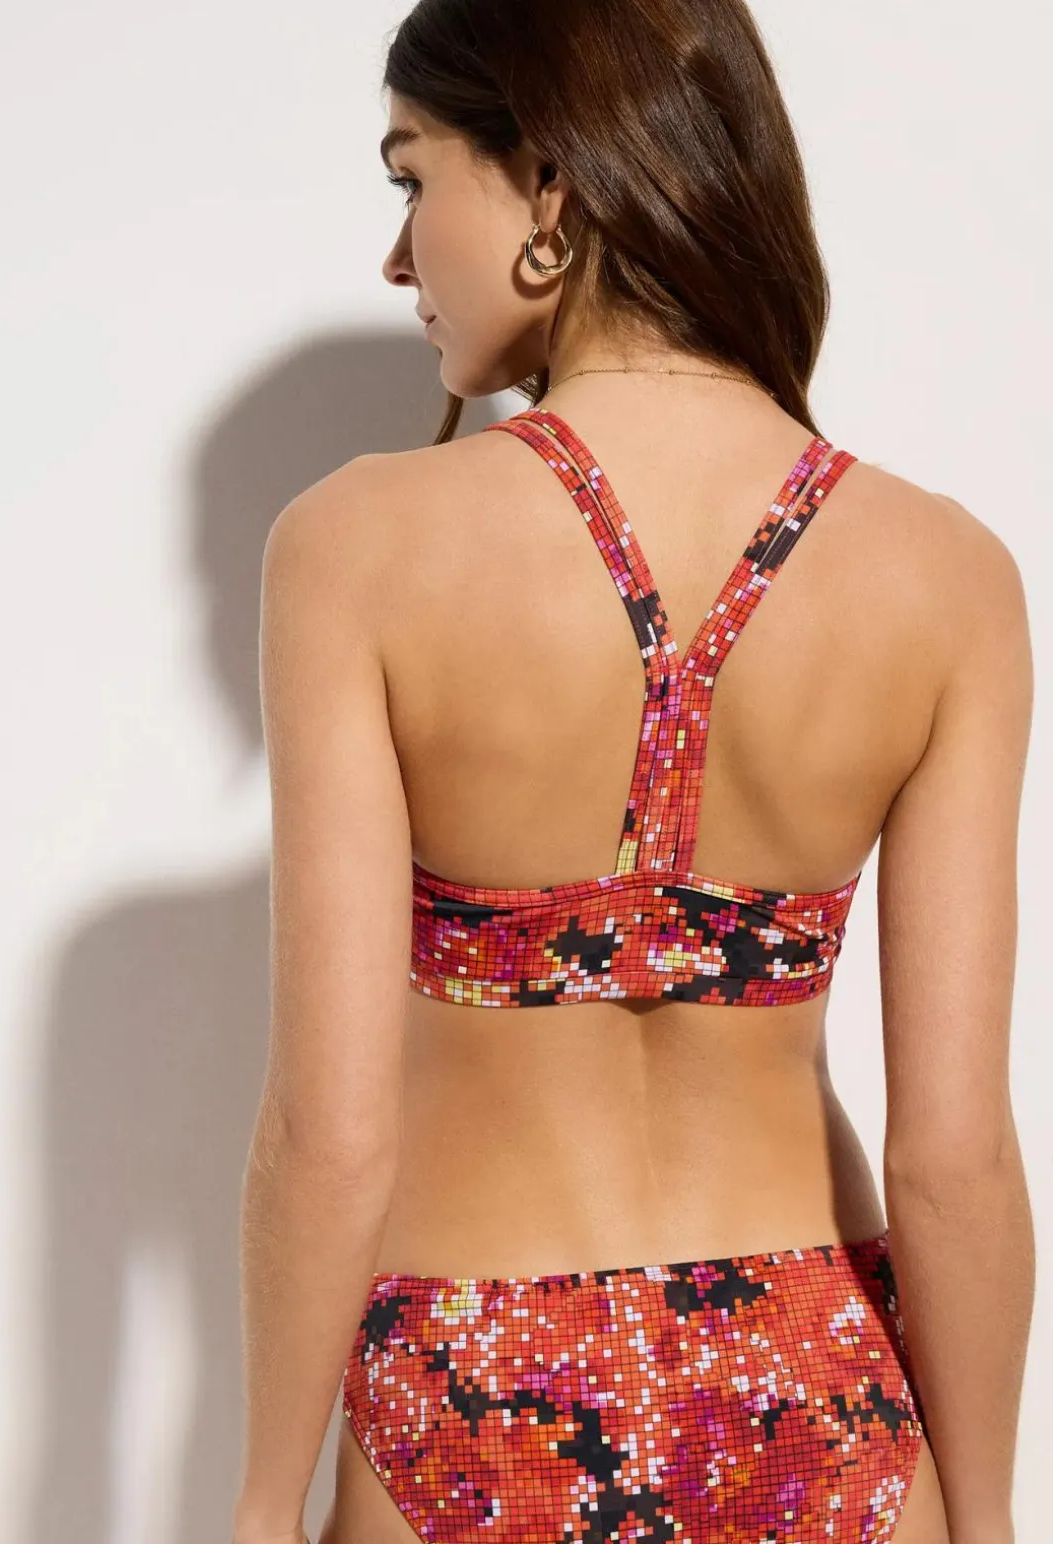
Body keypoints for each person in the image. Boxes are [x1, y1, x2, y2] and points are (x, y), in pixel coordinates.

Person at [231, 2, 1035, 1541]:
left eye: (412, 177)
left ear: (548, 186)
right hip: (818, 1391)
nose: (398, 258)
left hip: (477, 1380)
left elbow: (328, 1134)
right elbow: (955, 1159)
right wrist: (985, 1519)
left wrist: (262, 1505)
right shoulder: (948, 577)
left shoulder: (355, 547)